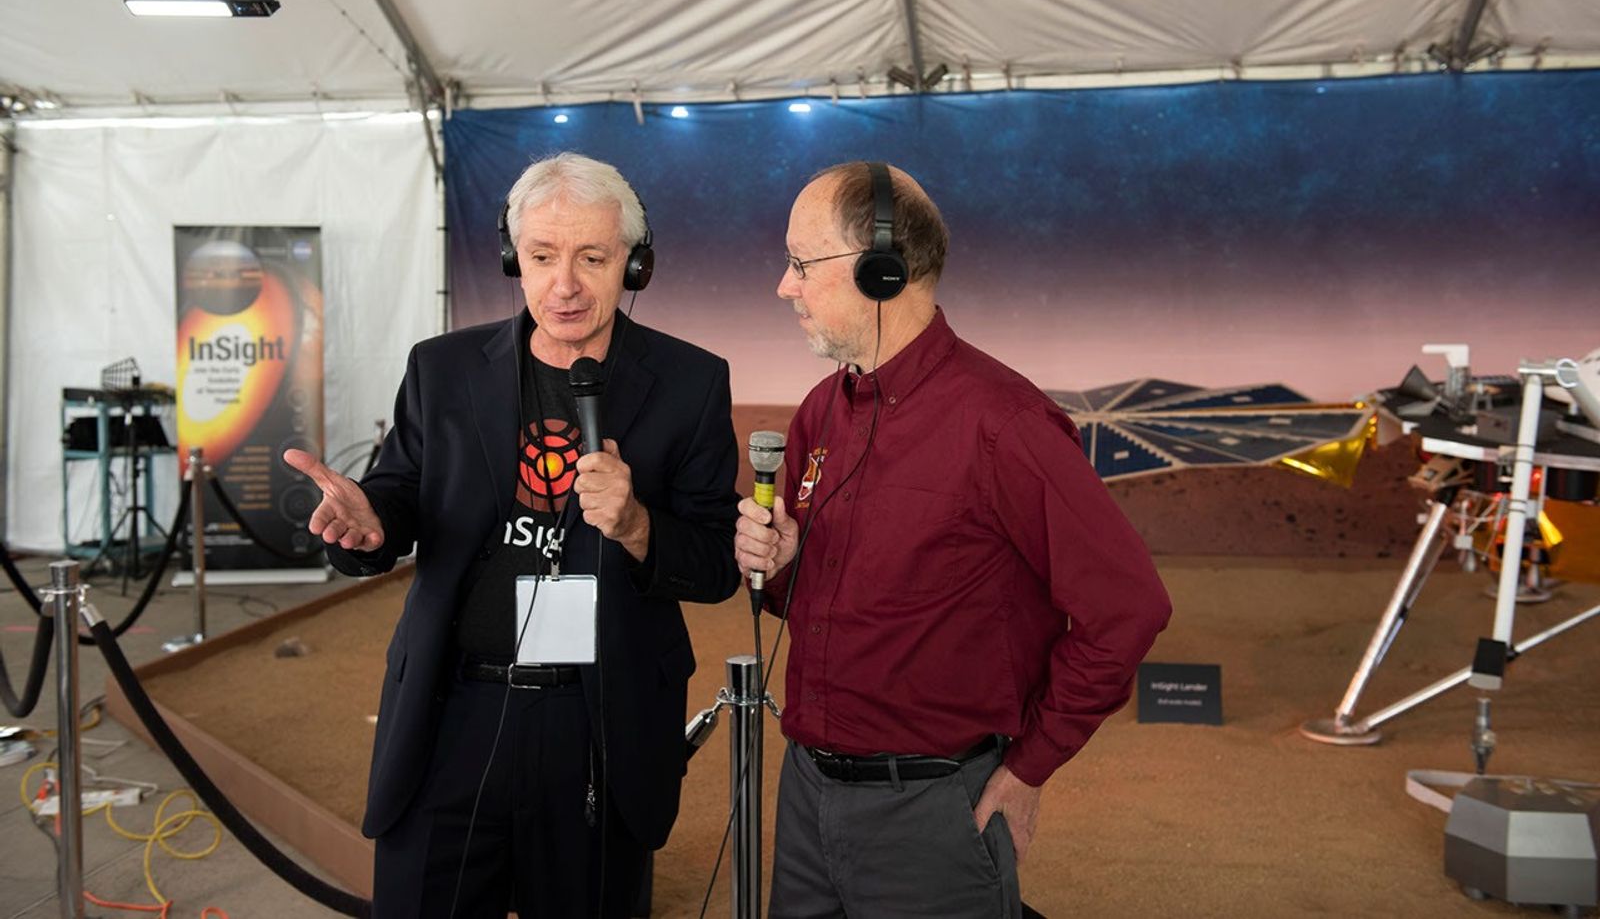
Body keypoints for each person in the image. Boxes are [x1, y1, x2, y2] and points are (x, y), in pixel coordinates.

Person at [285, 152, 741, 918]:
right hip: (453, 708)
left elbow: (716, 561)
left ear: (634, 262)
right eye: (541, 256)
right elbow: (396, 496)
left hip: (598, 720)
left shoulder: (690, 383)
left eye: (592, 257)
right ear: (512, 258)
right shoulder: (443, 368)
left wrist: (635, 525)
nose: (564, 284)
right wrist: (367, 526)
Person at [735, 161, 1172, 917]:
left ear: (882, 270)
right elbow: (801, 601)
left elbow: (1128, 608)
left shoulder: (1005, 425)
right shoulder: (822, 411)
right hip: (806, 794)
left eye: (802, 264)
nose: (785, 286)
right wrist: (780, 563)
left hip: (933, 809)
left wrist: (1032, 767)